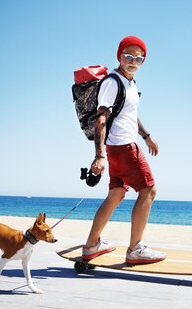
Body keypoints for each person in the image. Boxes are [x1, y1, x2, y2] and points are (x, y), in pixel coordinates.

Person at [82, 35, 166, 264]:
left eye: (139, 58)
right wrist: (98, 156)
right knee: (149, 191)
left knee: (115, 194)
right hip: (124, 148)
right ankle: (135, 249)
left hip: (118, 149)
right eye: (128, 56)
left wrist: (147, 137)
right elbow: (101, 120)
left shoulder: (130, 84)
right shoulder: (112, 82)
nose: (133, 61)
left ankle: (91, 246)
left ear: (143, 61)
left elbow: (129, 115)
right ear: (119, 56)